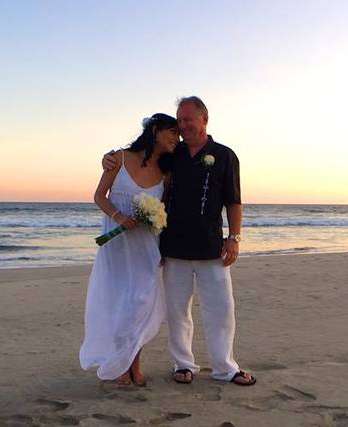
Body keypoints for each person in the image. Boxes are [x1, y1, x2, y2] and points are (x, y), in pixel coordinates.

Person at [103, 97, 255, 386]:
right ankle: (183, 365)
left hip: (213, 248)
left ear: (204, 119)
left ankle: (225, 367)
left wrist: (234, 238)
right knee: (177, 312)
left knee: (221, 309)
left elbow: (234, 202)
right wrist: (108, 157)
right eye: (179, 121)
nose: (183, 126)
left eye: (188, 120)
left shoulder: (224, 155)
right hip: (173, 248)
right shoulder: (172, 155)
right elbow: (139, 159)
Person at [80, 113, 179, 386]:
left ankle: (134, 363)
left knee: (140, 305)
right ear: (155, 130)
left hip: (147, 248)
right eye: (172, 132)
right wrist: (118, 217)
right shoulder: (119, 159)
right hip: (117, 247)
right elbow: (99, 195)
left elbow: (165, 212)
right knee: (119, 304)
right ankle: (122, 365)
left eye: (178, 135)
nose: (176, 138)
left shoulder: (166, 172)